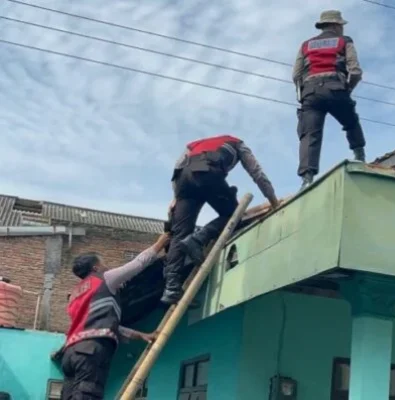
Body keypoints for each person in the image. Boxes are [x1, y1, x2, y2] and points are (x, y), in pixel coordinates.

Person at [162, 134, 279, 304]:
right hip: (205, 169)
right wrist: (273, 200)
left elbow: (179, 166)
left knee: (179, 233)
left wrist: (176, 197)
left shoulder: (198, 143)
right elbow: (257, 173)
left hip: (184, 177)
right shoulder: (239, 144)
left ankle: (171, 289)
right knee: (234, 214)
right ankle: (198, 238)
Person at [58, 233, 169, 399]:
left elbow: (109, 325)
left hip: (70, 354)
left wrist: (141, 335)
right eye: (104, 263)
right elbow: (137, 264)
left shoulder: (74, 294)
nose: (107, 267)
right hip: (90, 351)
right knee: (88, 395)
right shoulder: (104, 279)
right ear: (95, 268)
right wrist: (159, 244)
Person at [292, 9, 366, 190]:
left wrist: (303, 94)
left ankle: (307, 179)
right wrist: (347, 90)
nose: (342, 28)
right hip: (335, 88)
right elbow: (355, 71)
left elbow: (296, 75)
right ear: (335, 25)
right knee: (351, 121)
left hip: (310, 93)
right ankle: (359, 156)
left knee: (310, 135)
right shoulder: (344, 41)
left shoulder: (305, 45)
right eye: (341, 25)